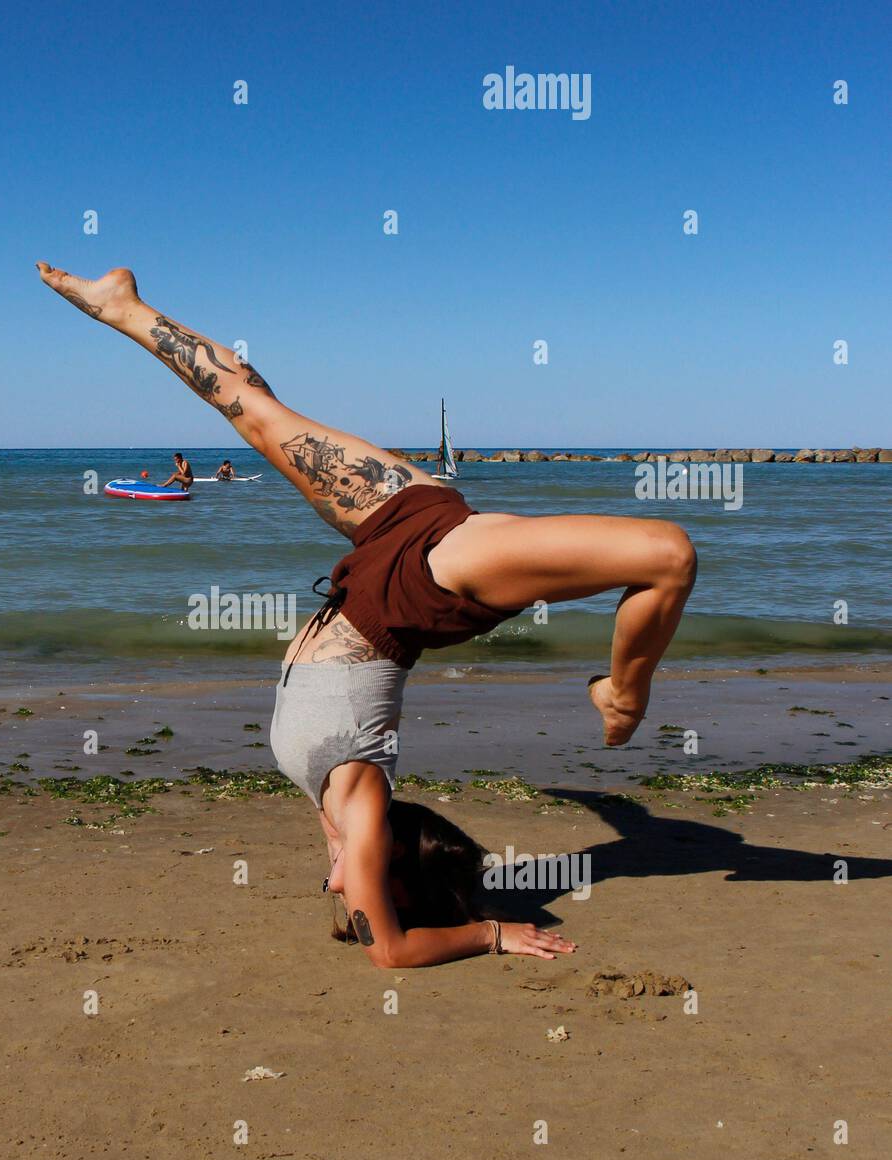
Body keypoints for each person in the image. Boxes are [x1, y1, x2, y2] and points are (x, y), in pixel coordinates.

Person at [37, 263, 697, 968]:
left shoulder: (335, 812)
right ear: (391, 870)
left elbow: (376, 932)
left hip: (407, 566)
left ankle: (123, 308)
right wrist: (491, 930)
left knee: (259, 415)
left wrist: (441, 904)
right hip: (426, 572)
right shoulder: (363, 813)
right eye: (352, 891)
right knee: (668, 555)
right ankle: (623, 693)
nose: (336, 888)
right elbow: (392, 948)